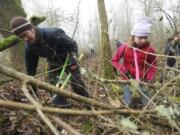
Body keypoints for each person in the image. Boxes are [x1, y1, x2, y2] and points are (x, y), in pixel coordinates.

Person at [10, 16, 89, 107]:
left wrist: (74, 60)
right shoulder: (30, 48)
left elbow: (72, 45)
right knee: (53, 87)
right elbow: (31, 70)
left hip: (68, 59)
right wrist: (32, 88)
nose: (25, 39)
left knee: (76, 85)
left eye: (25, 34)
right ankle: (62, 107)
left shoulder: (53, 34)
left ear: (31, 28)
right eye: (21, 37)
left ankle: (88, 103)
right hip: (53, 63)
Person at [111, 17, 157, 107]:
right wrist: (124, 71)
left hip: (143, 81)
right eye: (140, 37)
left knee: (147, 105)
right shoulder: (125, 47)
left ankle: (146, 114)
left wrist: (149, 77)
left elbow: (153, 64)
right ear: (134, 36)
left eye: (145, 37)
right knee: (128, 104)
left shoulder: (149, 49)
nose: (143, 40)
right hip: (128, 80)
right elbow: (114, 60)